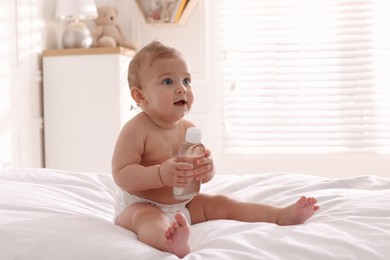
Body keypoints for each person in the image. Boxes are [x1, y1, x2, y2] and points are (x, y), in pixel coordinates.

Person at [111, 41, 320, 258]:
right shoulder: (136, 129)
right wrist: (160, 174)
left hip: (184, 203)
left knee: (222, 203)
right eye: (167, 81)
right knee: (147, 219)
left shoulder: (189, 129)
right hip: (141, 203)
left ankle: (279, 215)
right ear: (140, 96)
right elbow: (122, 174)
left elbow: (201, 177)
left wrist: (206, 169)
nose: (181, 88)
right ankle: (169, 241)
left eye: (186, 80)